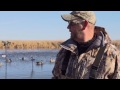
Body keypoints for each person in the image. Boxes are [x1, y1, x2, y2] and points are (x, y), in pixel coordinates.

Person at [52, 11, 120, 79]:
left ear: (84, 24)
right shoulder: (64, 52)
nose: (68, 27)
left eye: (72, 23)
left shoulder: (113, 55)